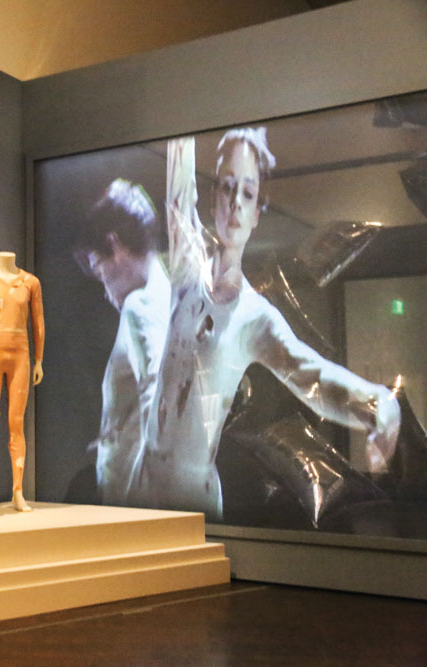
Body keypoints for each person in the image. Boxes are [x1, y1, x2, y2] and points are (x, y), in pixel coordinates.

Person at [136, 130, 401, 520]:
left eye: (247, 193)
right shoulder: (186, 268)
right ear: (213, 198)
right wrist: (184, 122)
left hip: (195, 501)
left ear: (259, 210)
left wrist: (380, 405)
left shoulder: (254, 317)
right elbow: (178, 192)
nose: (234, 204)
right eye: (226, 188)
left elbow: (313, 376)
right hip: (142, 487)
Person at [74, 179, 170, 506]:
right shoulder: (173, 298)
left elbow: (158, 400)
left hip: (138, 498)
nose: (105, 292)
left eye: (101, 272)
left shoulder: (139, 307)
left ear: (115, 246)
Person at [0, 251, 44, 512]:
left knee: (16, 422)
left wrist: (38, 359)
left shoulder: (30, 282)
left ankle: (18, 491)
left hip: (20, 354)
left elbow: (37, 321)